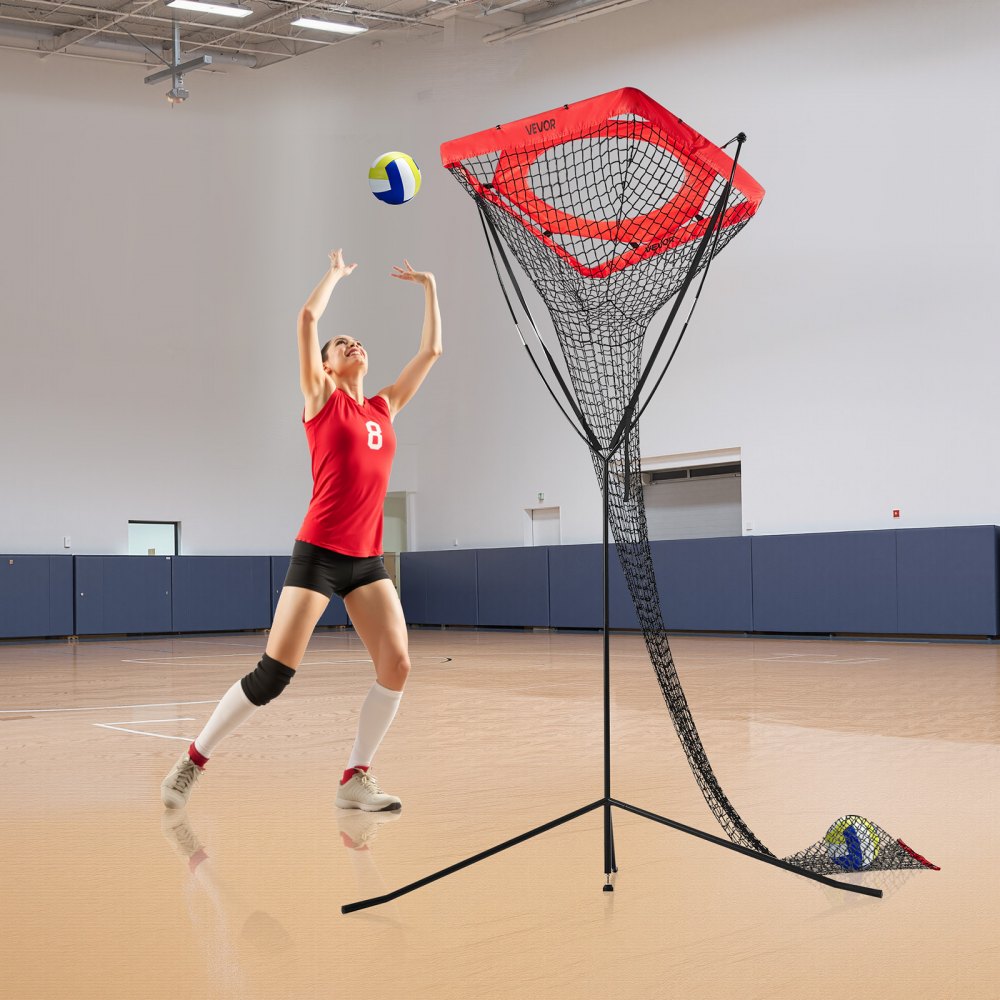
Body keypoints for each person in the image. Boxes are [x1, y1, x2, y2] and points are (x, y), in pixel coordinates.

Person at [161, 248, 442, 813]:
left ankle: (355, 777)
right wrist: (334, 275)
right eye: (342, 346)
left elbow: (432, 349)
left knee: (398, 663)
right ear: (328, 366)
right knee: (272, 676)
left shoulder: (383, 409)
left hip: (366, 559)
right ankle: (191, 761)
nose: (352, 345)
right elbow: (307, 321)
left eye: (357, 341)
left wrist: (430, 286)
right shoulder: (321, 402)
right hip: (318, 552)